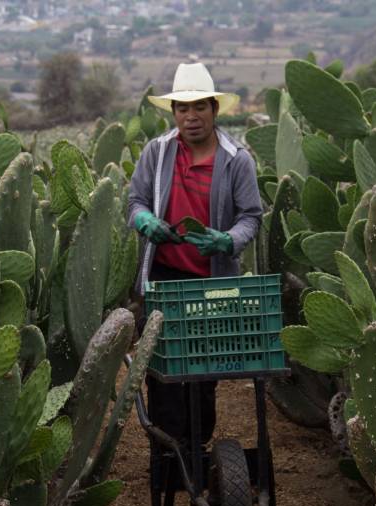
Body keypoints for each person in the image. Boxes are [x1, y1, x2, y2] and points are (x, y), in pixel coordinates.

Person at [127, 62, 263, 475]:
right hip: (165, 279)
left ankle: (196, 450)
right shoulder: (158, 151)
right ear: (173, 113)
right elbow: (134, 201)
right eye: (182, 109)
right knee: (164, 374)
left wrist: (228, 240)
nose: (191, 117)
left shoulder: (236, 160)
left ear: (214, 109)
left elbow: (251, 217)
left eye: (199, 107)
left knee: (204, 374)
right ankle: (165, 456)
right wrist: (146, 222)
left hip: (212, 283)